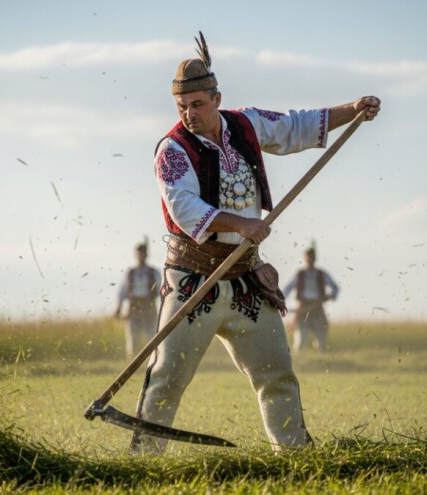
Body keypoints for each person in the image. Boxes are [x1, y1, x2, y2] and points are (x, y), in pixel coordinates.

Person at [131, 32, 381, 454]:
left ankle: (295, 457)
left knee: (277, 375)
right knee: (167, 378)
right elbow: (184, 209)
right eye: (182, 107)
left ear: (217, 98)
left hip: (247, 278)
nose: (190, 114)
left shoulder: (246, 124)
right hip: (194, 280)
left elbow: (295, 127)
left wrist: (352, 110)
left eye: (198, 104)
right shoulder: (171, 150)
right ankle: (142, 462)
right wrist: (241, 224)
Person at [283, 243, 339, 353]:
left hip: (317, 308)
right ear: (304, 258)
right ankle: (300, 361)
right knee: (301, 341)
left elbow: (335, 288)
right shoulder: (300, 274)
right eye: (308, 256)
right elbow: (287, 289)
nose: (310, 259)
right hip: (302, 309)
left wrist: (330, 296)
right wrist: (281, 302)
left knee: (321, 340)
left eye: (311, 256)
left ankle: (322, 361)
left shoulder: (321, 274)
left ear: (315, 258)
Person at [114, 240, 162, 359]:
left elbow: (161, 291)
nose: (140, 256)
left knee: (152, 336)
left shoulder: (154, 272)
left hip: (149, 307)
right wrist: (119, 308)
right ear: (135, 254)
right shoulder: (130, 273)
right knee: (133, 336)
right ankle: (132, 360)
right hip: (134, 307)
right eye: (138, 253)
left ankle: (153, 359)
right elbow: (123, 291)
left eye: (143, 253)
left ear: (146, 254)